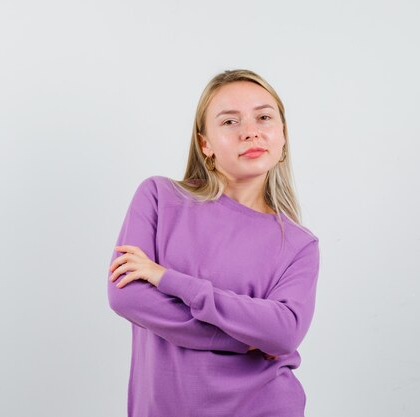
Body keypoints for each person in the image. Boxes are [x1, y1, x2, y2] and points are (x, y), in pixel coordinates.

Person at [107, 69, 321, 417]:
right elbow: (125, 295)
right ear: (204, 143)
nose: (250, 131)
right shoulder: (160, 197)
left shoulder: (299, 245)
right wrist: (244, 339)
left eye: (264, 117)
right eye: (230, 122)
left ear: (282, 136)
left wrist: (167, 279)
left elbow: (284, 333)